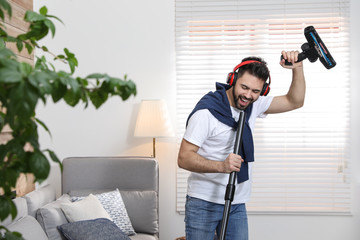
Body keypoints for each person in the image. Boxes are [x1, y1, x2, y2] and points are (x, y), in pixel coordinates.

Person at [177, 50, 305, 240]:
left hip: (236, 203)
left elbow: (295, 101)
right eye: (244, 87)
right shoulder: (206, 113)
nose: (248, 95)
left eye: (255, 91)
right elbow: (184, 158)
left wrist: (298, 68)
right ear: (233, 80)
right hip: (203, 202)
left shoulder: (253, 105)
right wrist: (221, 166)